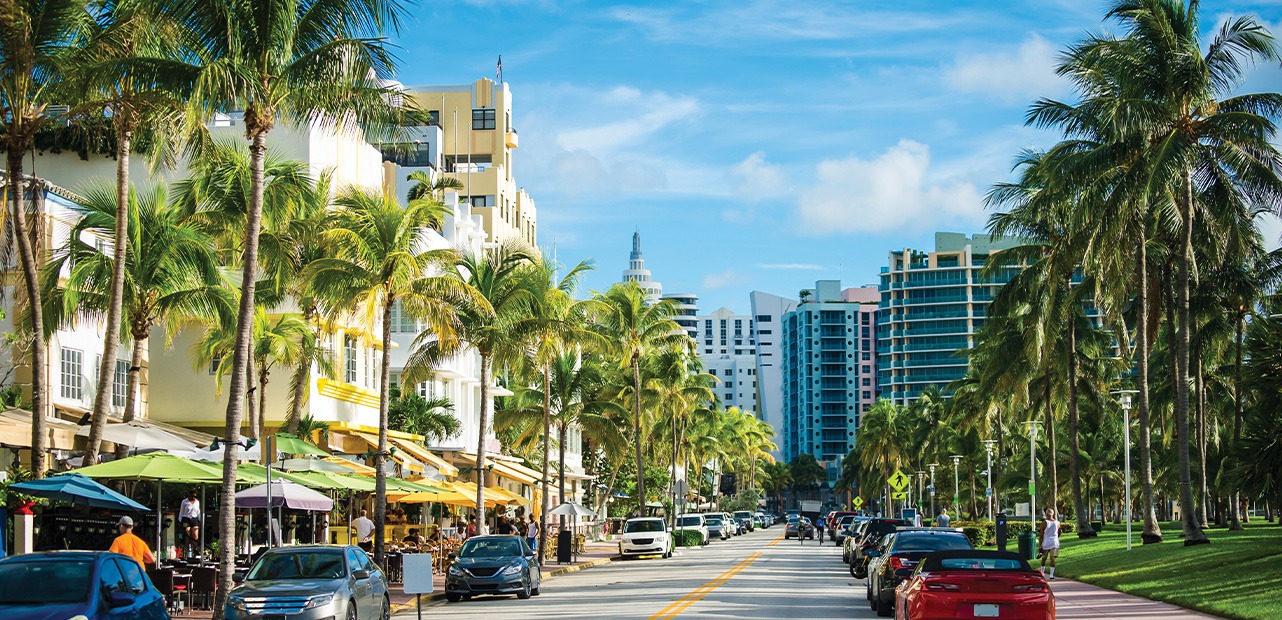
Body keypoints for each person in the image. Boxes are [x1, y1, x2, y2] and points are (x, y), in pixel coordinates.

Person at [1038, 508, 1060, 580]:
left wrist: (1040, 545)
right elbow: (1059, 532)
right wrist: (1056, 537)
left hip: (1046, 542)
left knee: (1044, 558)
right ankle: (1051, 574)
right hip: (1055, 542)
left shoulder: (1044, 523)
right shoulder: (1057, 522)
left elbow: (1041, 535)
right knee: (1052, 558)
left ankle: (1042, 573)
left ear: (1046, 514)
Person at [178, 488, 200, 556]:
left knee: (195, 535)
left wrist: (200, 520)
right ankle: (188, 550)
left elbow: (198, 511)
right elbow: (181, 511)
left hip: (194, 518)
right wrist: (180, 520)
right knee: (188, 533)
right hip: (186, 518)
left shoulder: (197, 502)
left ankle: (196, 549)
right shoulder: (184, 502)